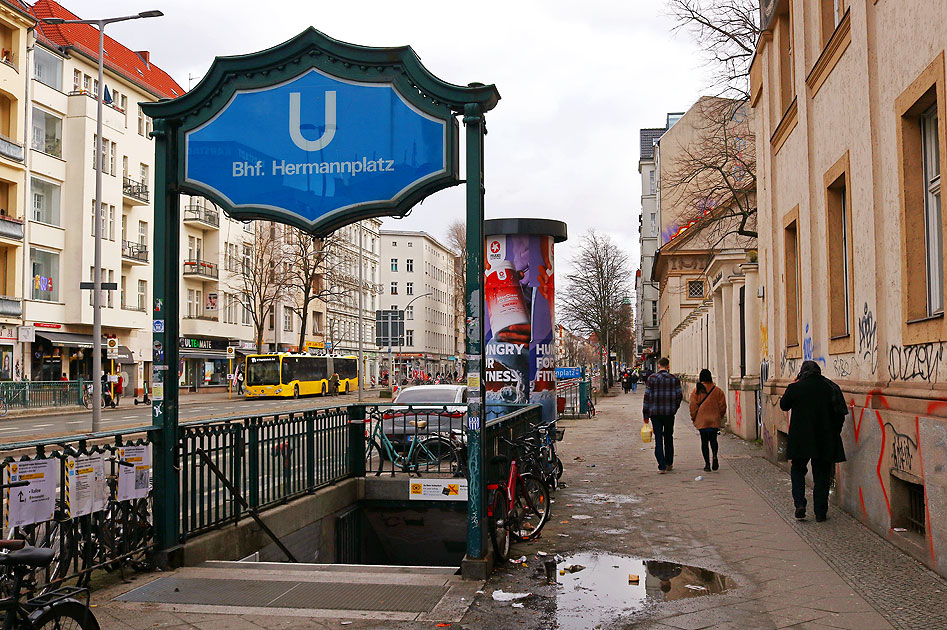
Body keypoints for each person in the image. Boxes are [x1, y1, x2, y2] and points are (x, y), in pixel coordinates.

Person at [779, 360, 848, 522]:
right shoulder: (830, 387)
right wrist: (834, 432)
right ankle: (820, 512)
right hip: (825, 438)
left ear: (802, 372)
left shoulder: (795, 387)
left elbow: (784, 405)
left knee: (797, 469)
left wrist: (794, 383)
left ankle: (800, 504)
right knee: (822, 474)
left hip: (800, 439)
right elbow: (840, 414)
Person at [642, 357, 683, 473]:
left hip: (655, 413)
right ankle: (669, 462)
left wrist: (645, 415)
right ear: (668, 366)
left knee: (658, 438)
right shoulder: (674, 379)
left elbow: (647, 397)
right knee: (669, 437)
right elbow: (679, 396)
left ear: (659, 366)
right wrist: (674, 408)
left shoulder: (652, 379)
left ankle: (661, 465)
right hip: (669, 413)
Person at [689, 369, 727, 472]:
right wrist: (720, 416)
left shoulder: (697, 390)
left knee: (704, 441)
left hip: (702, 420)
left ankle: (707, 464)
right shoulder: (718, 390)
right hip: (714, 419)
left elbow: (693, 405)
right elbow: (723, 406)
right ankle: (714, 455)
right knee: (714, 439)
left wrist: (694, 417)